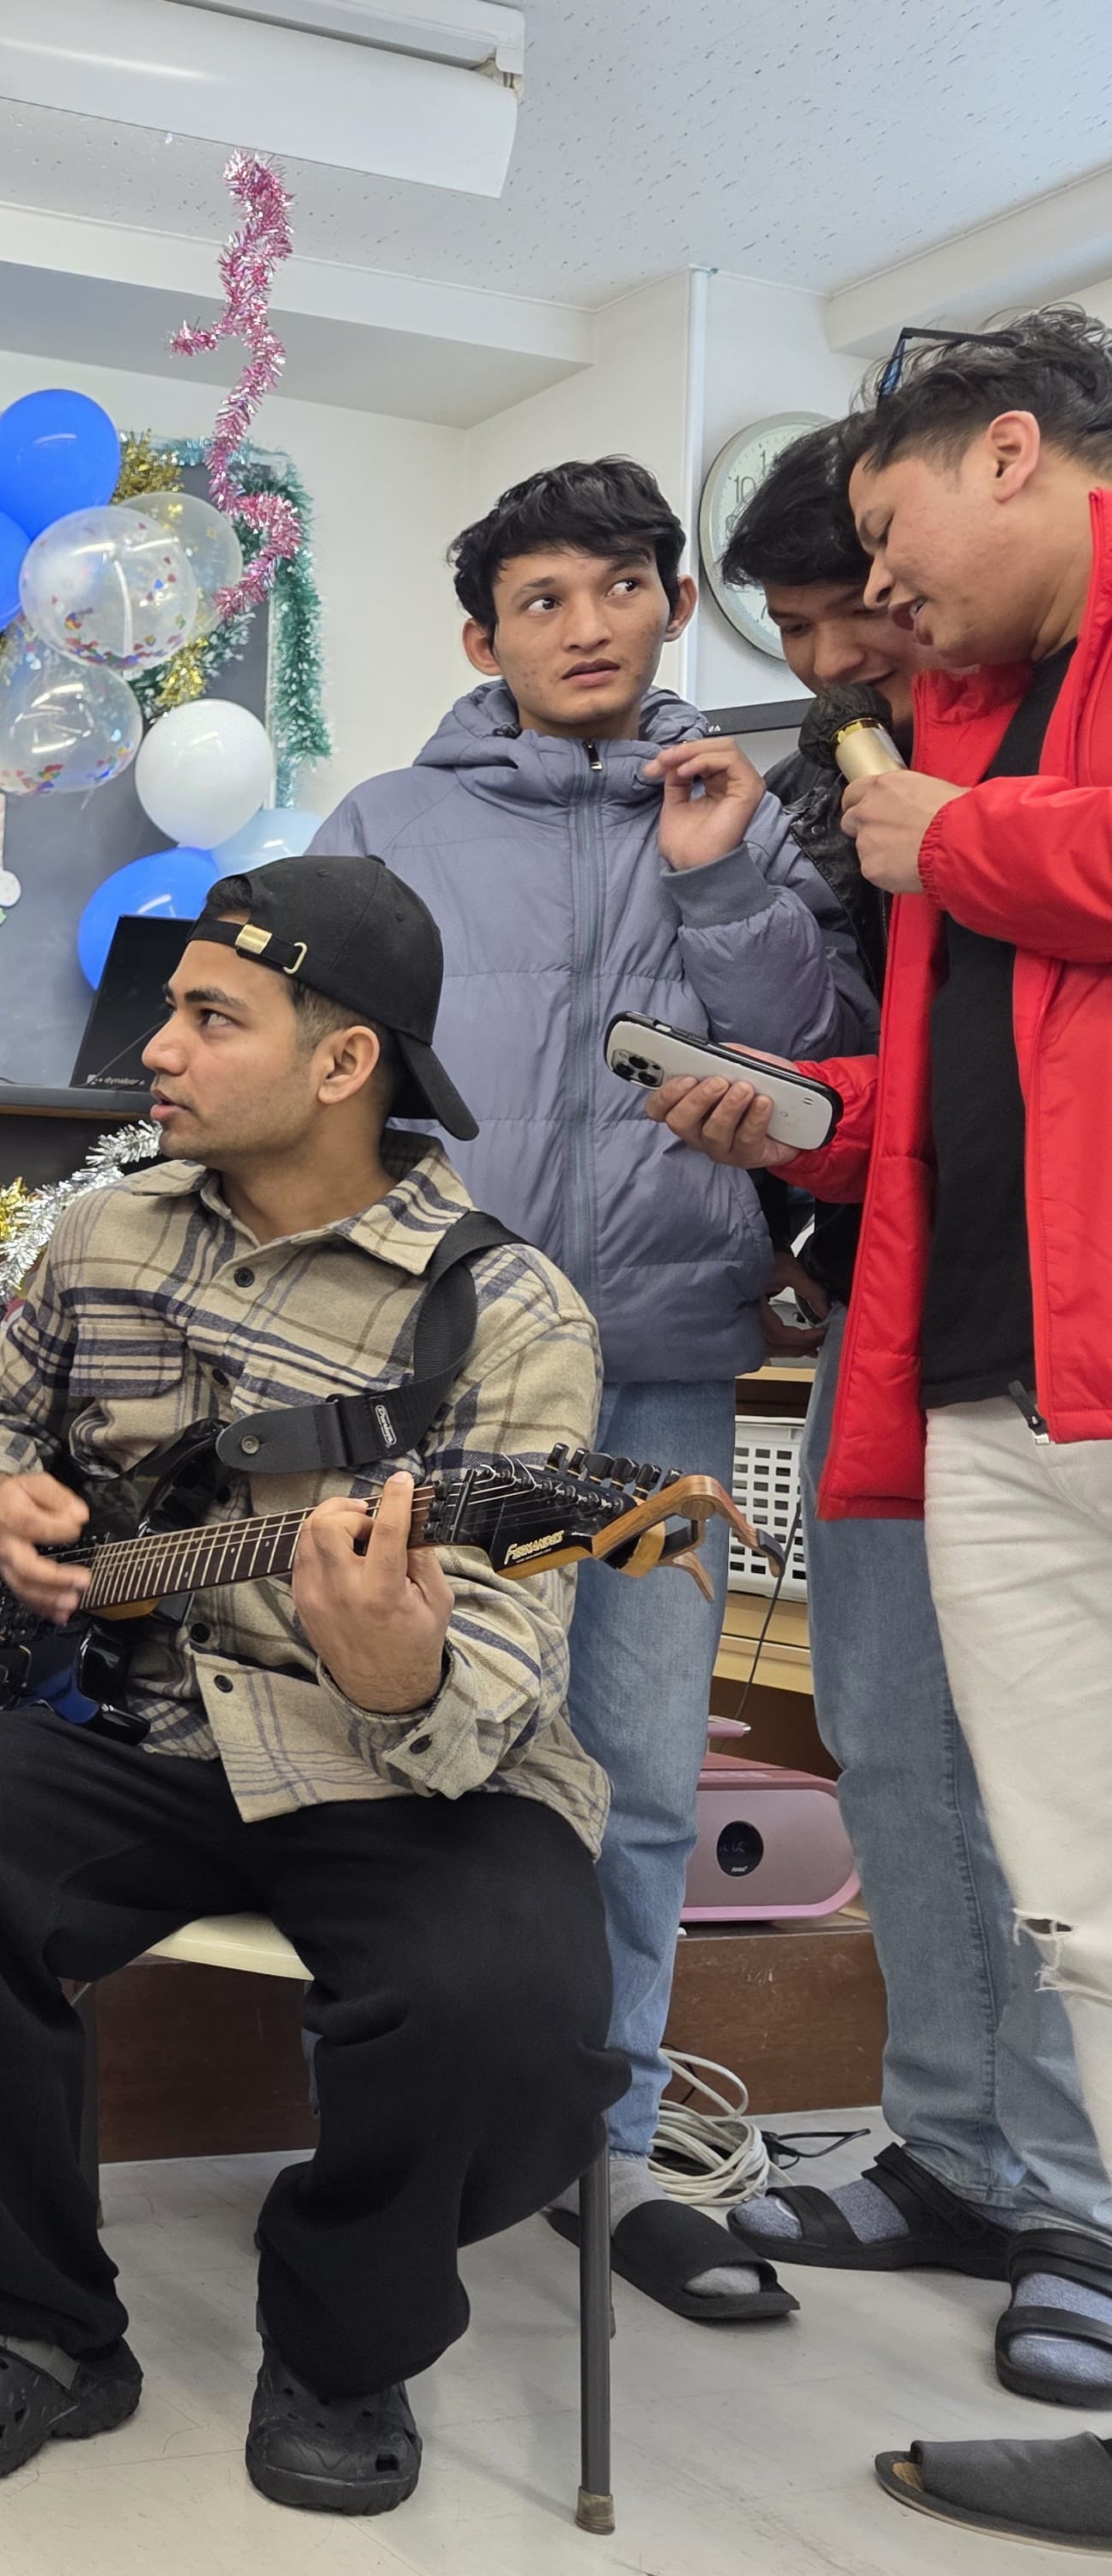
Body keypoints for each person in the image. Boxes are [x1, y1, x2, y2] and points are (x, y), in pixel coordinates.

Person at [0, 856, 617, 2518]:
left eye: (209, 1017)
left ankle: (341, 2340)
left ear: (344, 1063)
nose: (157, 1051)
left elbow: (497, 1670)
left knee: (506, 2010)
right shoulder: (106, 1231)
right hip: (148, 1730)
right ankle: (35, 2324)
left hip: (407, 1771)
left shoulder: (505, 1314)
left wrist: (396, 1667)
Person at [309, 459, 872, 2324]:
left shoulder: (746, 810)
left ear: (672, 604)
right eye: (540, 599)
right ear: (482, 638)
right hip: (430, 1371)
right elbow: (316, 1070)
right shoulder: (388, 818)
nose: (585, 626)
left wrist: (719, 871)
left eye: (620, 587)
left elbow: (820, 1060)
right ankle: (388, 2132)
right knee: (397, 1747)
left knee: (634, 1772)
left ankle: (604, 2149)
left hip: (661, 1362)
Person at [647, 309, 1112, 2549]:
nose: (869, 607)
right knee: (971, 1799)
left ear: (1006, 454)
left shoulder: (944, 785)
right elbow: (939, 1075)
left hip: (1068, 1360)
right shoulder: (924, 740)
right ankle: (966, 2160)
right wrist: (798, 1114)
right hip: (954, 1349)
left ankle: (1075, 2207)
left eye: (878, 544)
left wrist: (963, 840)